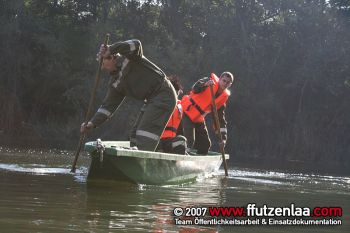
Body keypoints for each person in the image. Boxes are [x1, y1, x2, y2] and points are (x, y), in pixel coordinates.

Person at [81, 39, 177, 151]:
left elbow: (136, 44)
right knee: (134, 135)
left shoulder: (131, 57)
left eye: (102, 63)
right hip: (151, 100)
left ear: (111, 57)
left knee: (145, 132)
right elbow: (107, 107)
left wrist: (111, 48)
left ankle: (141, 161)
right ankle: (135, 159)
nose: (102, 67)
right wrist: (91, 124)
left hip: (164, 94)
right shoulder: (115, 83)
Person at [181, 72, 234, 155]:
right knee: (189, 140)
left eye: (228, 82)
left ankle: (196, 164)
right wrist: (205, 85)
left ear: (230, 85)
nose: (225, 83)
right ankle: (182, 159)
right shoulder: (208, 80)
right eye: (224, 81)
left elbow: (220, 120)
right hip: (187, 111)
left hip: (198, 118)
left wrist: (223, 139)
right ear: (220, 79)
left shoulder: (222, 100)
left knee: (205, 144)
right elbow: (195, 88)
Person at [157, 75, 187, 154]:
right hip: (156, 140)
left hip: (169, 143)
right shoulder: (159, 102)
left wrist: (184, 147)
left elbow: (180, 131)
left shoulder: (179, 108)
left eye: (177, 92)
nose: (176, 95)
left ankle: (176, 163)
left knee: (181, 140)